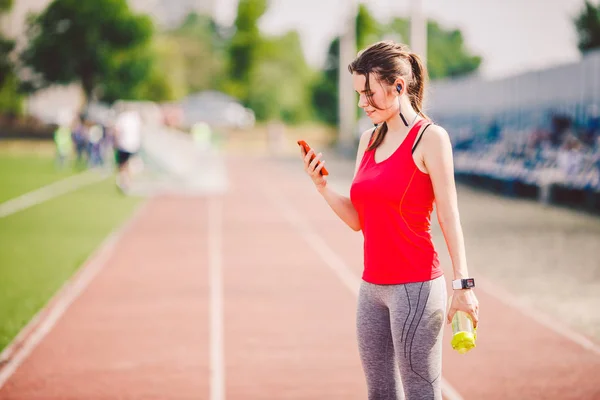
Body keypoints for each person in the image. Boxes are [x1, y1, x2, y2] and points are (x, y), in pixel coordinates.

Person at [299, 40, 480, 399]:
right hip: (372, 288)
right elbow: (358, 220)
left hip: (416, 287)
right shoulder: (367, 139)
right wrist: (323, 188)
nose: (362, 103)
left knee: (420, 394)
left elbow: (449, 215)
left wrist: (464, 286)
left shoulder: (430, 138)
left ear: (399, 86)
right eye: (359, 95)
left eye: (369, 93)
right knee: (380, 393)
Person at [114, 109, 142, 192]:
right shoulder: (136, 118)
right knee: (129, 166)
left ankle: (124, 182)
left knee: (123, 165)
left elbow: (117, 130)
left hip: (124, 145)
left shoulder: (122, 117)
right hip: (134, 145)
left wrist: (116, 142)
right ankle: (127, 182)